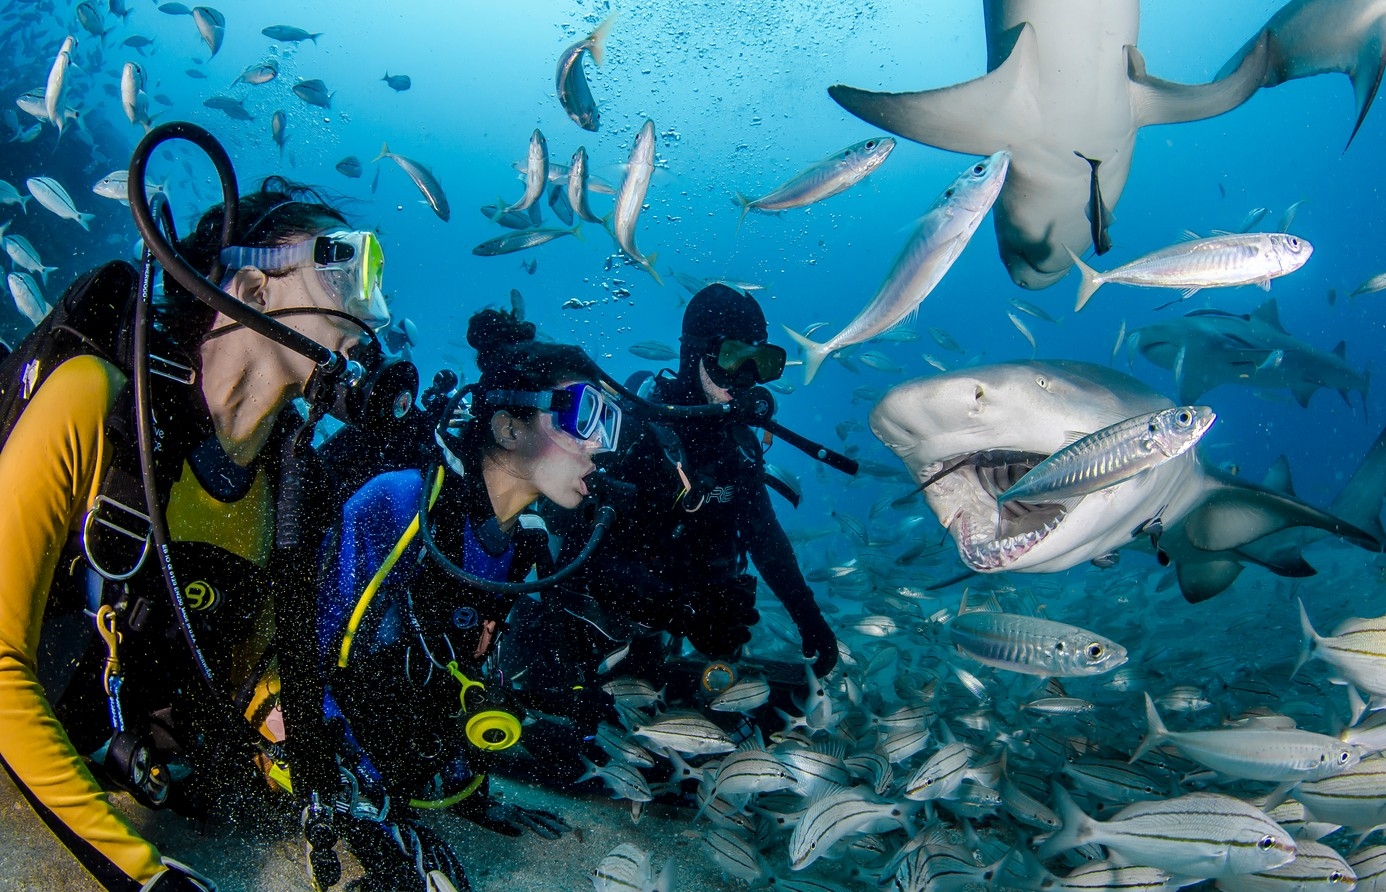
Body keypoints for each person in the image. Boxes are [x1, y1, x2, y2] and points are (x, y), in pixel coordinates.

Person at [0, 177, 390, 891]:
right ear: (253, 287)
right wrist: (144, 876)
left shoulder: (281, 488)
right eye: (341, 268)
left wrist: (351, 801)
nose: (370, 308)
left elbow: (258, 673)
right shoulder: (94, 402)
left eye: (375, 280)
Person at [314, 307, 621, 892]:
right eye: (582, 418)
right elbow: (311, 663)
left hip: (404, 767)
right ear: (508, 428)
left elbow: (463, 677)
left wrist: (470, 794)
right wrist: (368, 809)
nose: (598, 448)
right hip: (315, 753)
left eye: (608, 426)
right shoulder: (401, 504)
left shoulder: (525, 543)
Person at [554, 283, 839, 697]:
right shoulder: (635, 435)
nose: (745, 378)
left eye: (760, 362)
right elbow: (579, 557)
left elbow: (763, 534)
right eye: (731, 358)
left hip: (674, 627)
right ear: (694, 355)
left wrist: (808, 615)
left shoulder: (739, 448)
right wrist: (683, 609)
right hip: (602, 630)